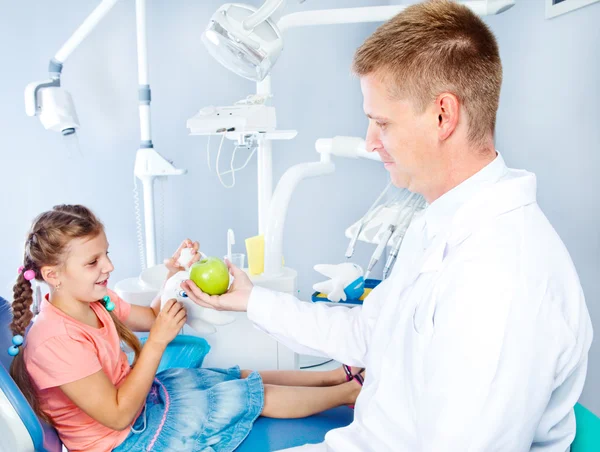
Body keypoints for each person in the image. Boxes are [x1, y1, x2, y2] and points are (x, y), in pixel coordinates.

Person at [182, 1, 593, 450]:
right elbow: (368, 334)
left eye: (382, 123)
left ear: (443, 116)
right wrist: (251, 300)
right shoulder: (440, 221)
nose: (370, 142)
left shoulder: (501, 276)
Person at [8, 204, 364, 452]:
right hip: (127, 441)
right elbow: (116, 417)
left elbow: (152, 316)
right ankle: (351, 395)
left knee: (234, 376)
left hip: (142, 407)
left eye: (106, 254)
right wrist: (157, 343)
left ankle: (334, 376)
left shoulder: (99, 300)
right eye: (93, 262)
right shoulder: (55, 341)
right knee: (250, 397)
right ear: (52, 275)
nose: (109, 266)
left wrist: (174, 273)